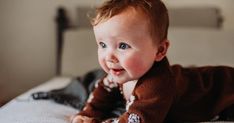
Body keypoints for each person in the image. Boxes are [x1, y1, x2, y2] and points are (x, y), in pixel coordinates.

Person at [70, 0, 234, 123]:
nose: (109, 57)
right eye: (103, 45)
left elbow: (138, 120)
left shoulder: (157, 85)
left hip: (224, 88)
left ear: (160, 50)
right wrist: (86, 114)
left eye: (123, 46)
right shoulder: (119, 71)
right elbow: (102, 93)